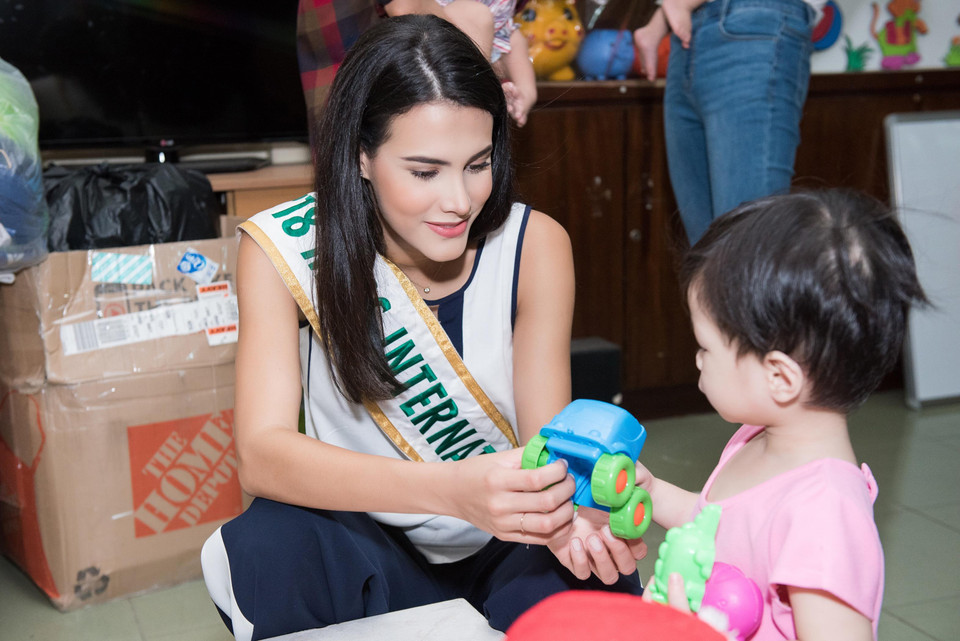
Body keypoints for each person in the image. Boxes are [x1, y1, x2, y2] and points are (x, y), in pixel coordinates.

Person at [201, 15, 644, 641]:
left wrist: (575, 511)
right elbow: (261, 455)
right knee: (271, 544)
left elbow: (549, 445)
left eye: (478, 163)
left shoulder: (535, 245)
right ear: (361, 155)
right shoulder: (284, 249)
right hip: (366, 536)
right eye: (424, 171)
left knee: (596, 579)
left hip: (507, 541)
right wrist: (449, 489)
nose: (459, 200)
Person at [632, 190, 928, 640]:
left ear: (779, 377)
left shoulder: (825, 518)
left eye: (706, 347)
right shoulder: (756, 437)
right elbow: (720, 525)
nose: (697, 360)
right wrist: (653, 493)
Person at [633, 0, 826, 244]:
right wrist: (660, 20)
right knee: (704, 253)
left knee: (746, 246)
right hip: (686, 37)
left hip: (755, 24)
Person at [298, 0, 537, 129]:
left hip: (459, 100)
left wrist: (525, 90)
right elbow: (404, 6)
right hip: (405, 81)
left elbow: (510, 36)